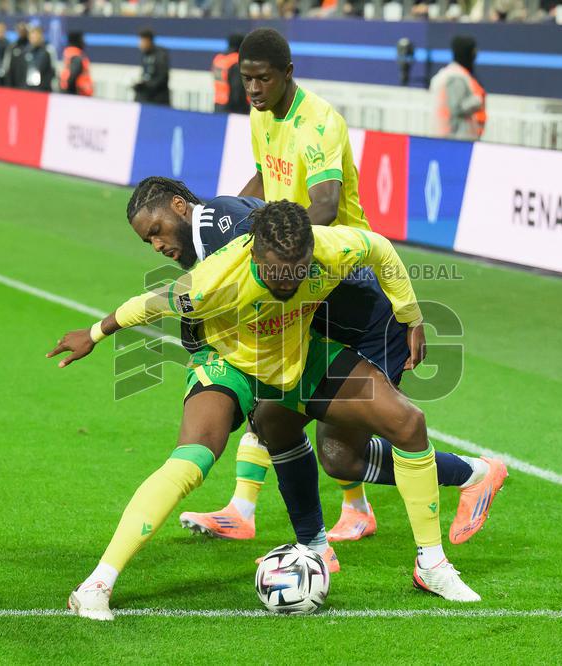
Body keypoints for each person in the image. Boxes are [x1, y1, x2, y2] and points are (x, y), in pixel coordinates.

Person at [51, 200, 481, 621]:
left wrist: (412, 316)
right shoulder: (211, 283)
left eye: (298, 269)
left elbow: (381, 248)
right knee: (195, 458)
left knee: (408, 423)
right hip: (229, 361)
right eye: (275, 271)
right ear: (253, 250)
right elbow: (150, 303)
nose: (287, 280)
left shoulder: (331, 247)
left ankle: (431, 566)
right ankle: (97, 584)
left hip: (297, 356)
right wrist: (94, 332)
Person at [128, 177, 506, 548]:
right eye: (148, 240)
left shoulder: (230, 231)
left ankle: (473, 476)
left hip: (371, 329)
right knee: (272, 420)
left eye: (157, 232)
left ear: (180, 206)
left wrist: (412, 317)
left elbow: (363, 239)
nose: (157, 244)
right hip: (322, 329)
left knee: (341, 456)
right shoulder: (212, 231)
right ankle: (307, 540)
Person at [187, 26, 380, 542]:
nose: (252, 88)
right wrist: (221, 223)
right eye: (246, 78)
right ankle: (257, 508)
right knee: (274, 385)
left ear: (287, 74)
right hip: (291, 263)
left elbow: (325, 206)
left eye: (262, 79)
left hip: (331, 269)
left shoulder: (318, 124)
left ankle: (260, 510)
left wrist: (266, 253)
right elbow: (263, 184)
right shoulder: (260, 113)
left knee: (279, 387)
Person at [429, 36, 486, 141]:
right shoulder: (456, 77)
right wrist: (478, 100)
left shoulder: (450, 73)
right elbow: (456, 108)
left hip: (448, 137)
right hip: (455, 138)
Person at [212, 34, 248, 114]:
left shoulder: (219, 59)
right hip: (232, 109)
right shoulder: (236, 62)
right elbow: (237, 91)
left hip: (218, 104)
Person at [134, 28, 170, 106]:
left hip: (158, 101)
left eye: (142, 41)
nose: (140, 44)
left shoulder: (160, 55)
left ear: (148, 41)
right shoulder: (145, 55)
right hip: (146, 98)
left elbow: (161, 78)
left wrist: (146, 86)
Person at [24, 25, 56, 93]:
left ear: (41, 37)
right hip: (27, 88)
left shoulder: (48, 51)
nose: (35, 39)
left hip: (42, 90)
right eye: (32, 37)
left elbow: (52, 70)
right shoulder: (25, 52)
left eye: (37, 37)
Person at [60, 31, 93, 96]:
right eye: (82, 40)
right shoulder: (76, 57)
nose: (84, 43)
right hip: (79, 93)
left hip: (71, 91)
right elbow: (72, 77)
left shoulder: (69, 54)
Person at [4, 23, 30, 89]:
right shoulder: (12, 47)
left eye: (23, 30)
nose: (21, 32)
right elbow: (7, 66)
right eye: (19, 30)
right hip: (14, 85)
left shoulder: (32, 47)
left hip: (29, 87)